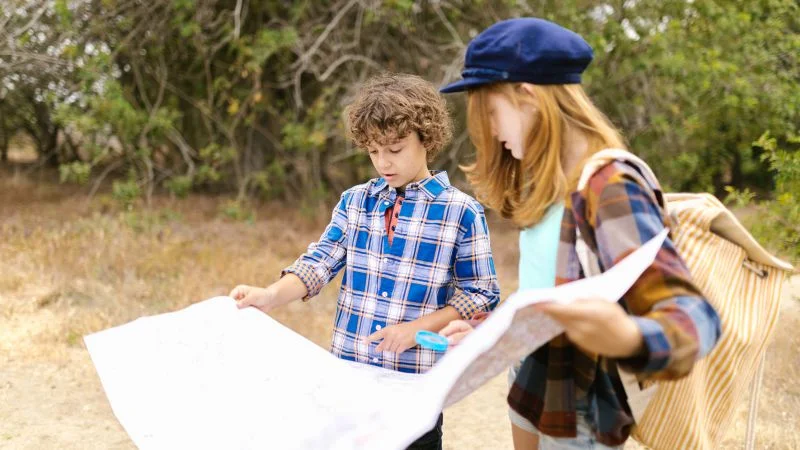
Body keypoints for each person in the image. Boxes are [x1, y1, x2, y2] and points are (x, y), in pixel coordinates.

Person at [438, 18, 721, 449]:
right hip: (533, 380)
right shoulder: (548, 181)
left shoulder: (610, 187)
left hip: (578, 409)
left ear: (528, 96)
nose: (491, 131)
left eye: (492, 113)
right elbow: (545, 291)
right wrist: (492, 332)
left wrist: (628, 337)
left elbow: (695, 315)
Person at [230, 73, 501, 449]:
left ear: (426, 138)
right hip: (350, 380)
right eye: (374, 151)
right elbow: (319, 263)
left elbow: (481, 292)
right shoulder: (355, 202)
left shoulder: (461, 211)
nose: (383, 162)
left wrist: (417, 328)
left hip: (415, 387)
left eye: (395, 149)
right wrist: (270, 295)